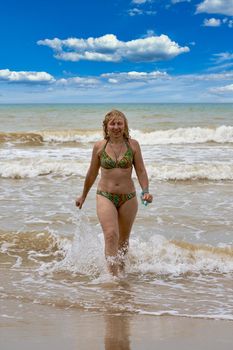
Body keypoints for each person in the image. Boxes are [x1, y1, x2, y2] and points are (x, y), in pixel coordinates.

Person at [76, 110, 153, 276]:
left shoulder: (133, 145)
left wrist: (145, 191)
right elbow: (92, 173)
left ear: (125, 125)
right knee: (111, 235)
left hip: (129, 197)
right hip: (105, 195)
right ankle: (112, 278)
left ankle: (122, 272)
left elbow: (140, 170)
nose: (116, 127)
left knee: (123, 241)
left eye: (119, 123)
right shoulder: (99, 146)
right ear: (106, 126)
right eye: (112, 123)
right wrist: (83, 195)